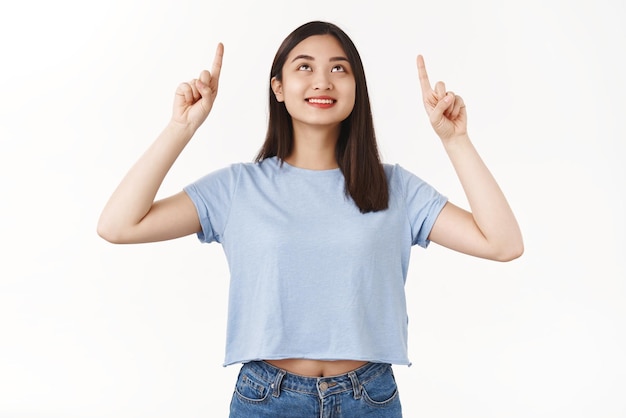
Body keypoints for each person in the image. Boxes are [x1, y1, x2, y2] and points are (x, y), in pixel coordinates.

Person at [98, 20, 523, 418]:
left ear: (357, 87)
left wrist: (456, 140)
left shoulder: (396, 188)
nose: (322, 81)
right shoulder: (237, 188)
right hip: (267, 398)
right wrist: (180, 127)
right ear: (278, 87)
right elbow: (118, 225)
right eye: (305, 67)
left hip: (368, 398)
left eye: (339, 68)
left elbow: (503, 244)